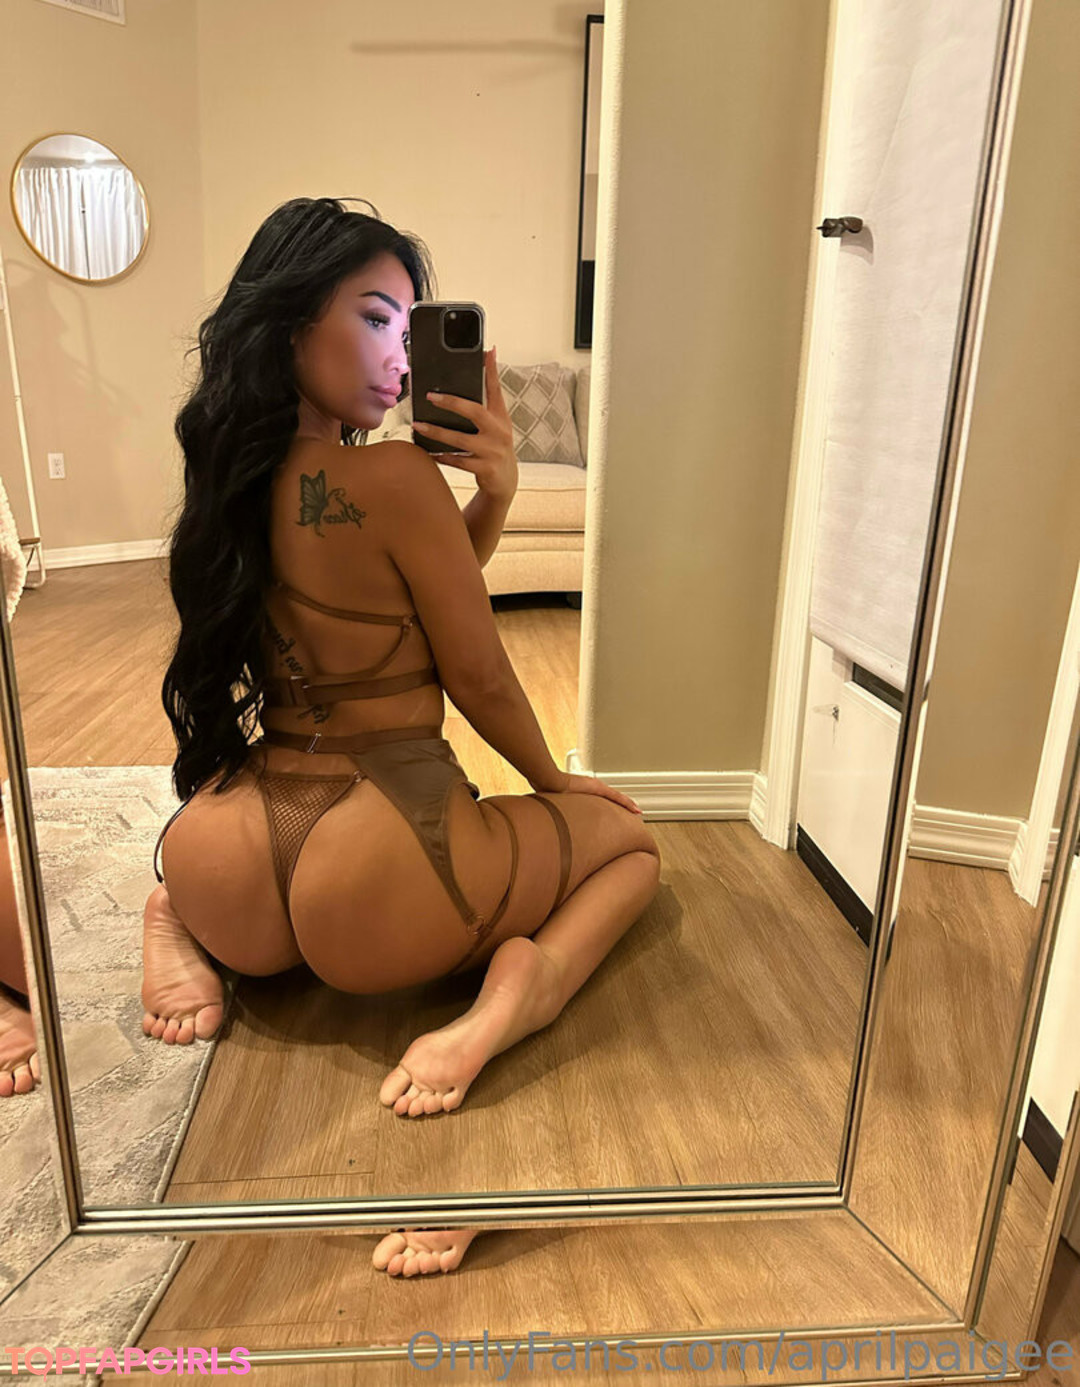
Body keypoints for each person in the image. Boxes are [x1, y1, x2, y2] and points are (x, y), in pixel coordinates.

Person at [142, 195, 662, 1275]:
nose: (400, 356)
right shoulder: (394, 476)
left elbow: (404, 598)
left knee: (210, 876)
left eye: (410, 328)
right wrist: (555, 778)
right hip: (384, 859)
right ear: (293, 322)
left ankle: (172, 916)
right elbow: (477, 668)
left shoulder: (233, 479)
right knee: (634, 851)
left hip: (226, 863)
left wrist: (495, 497)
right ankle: (513, 1001)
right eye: (378, 318)